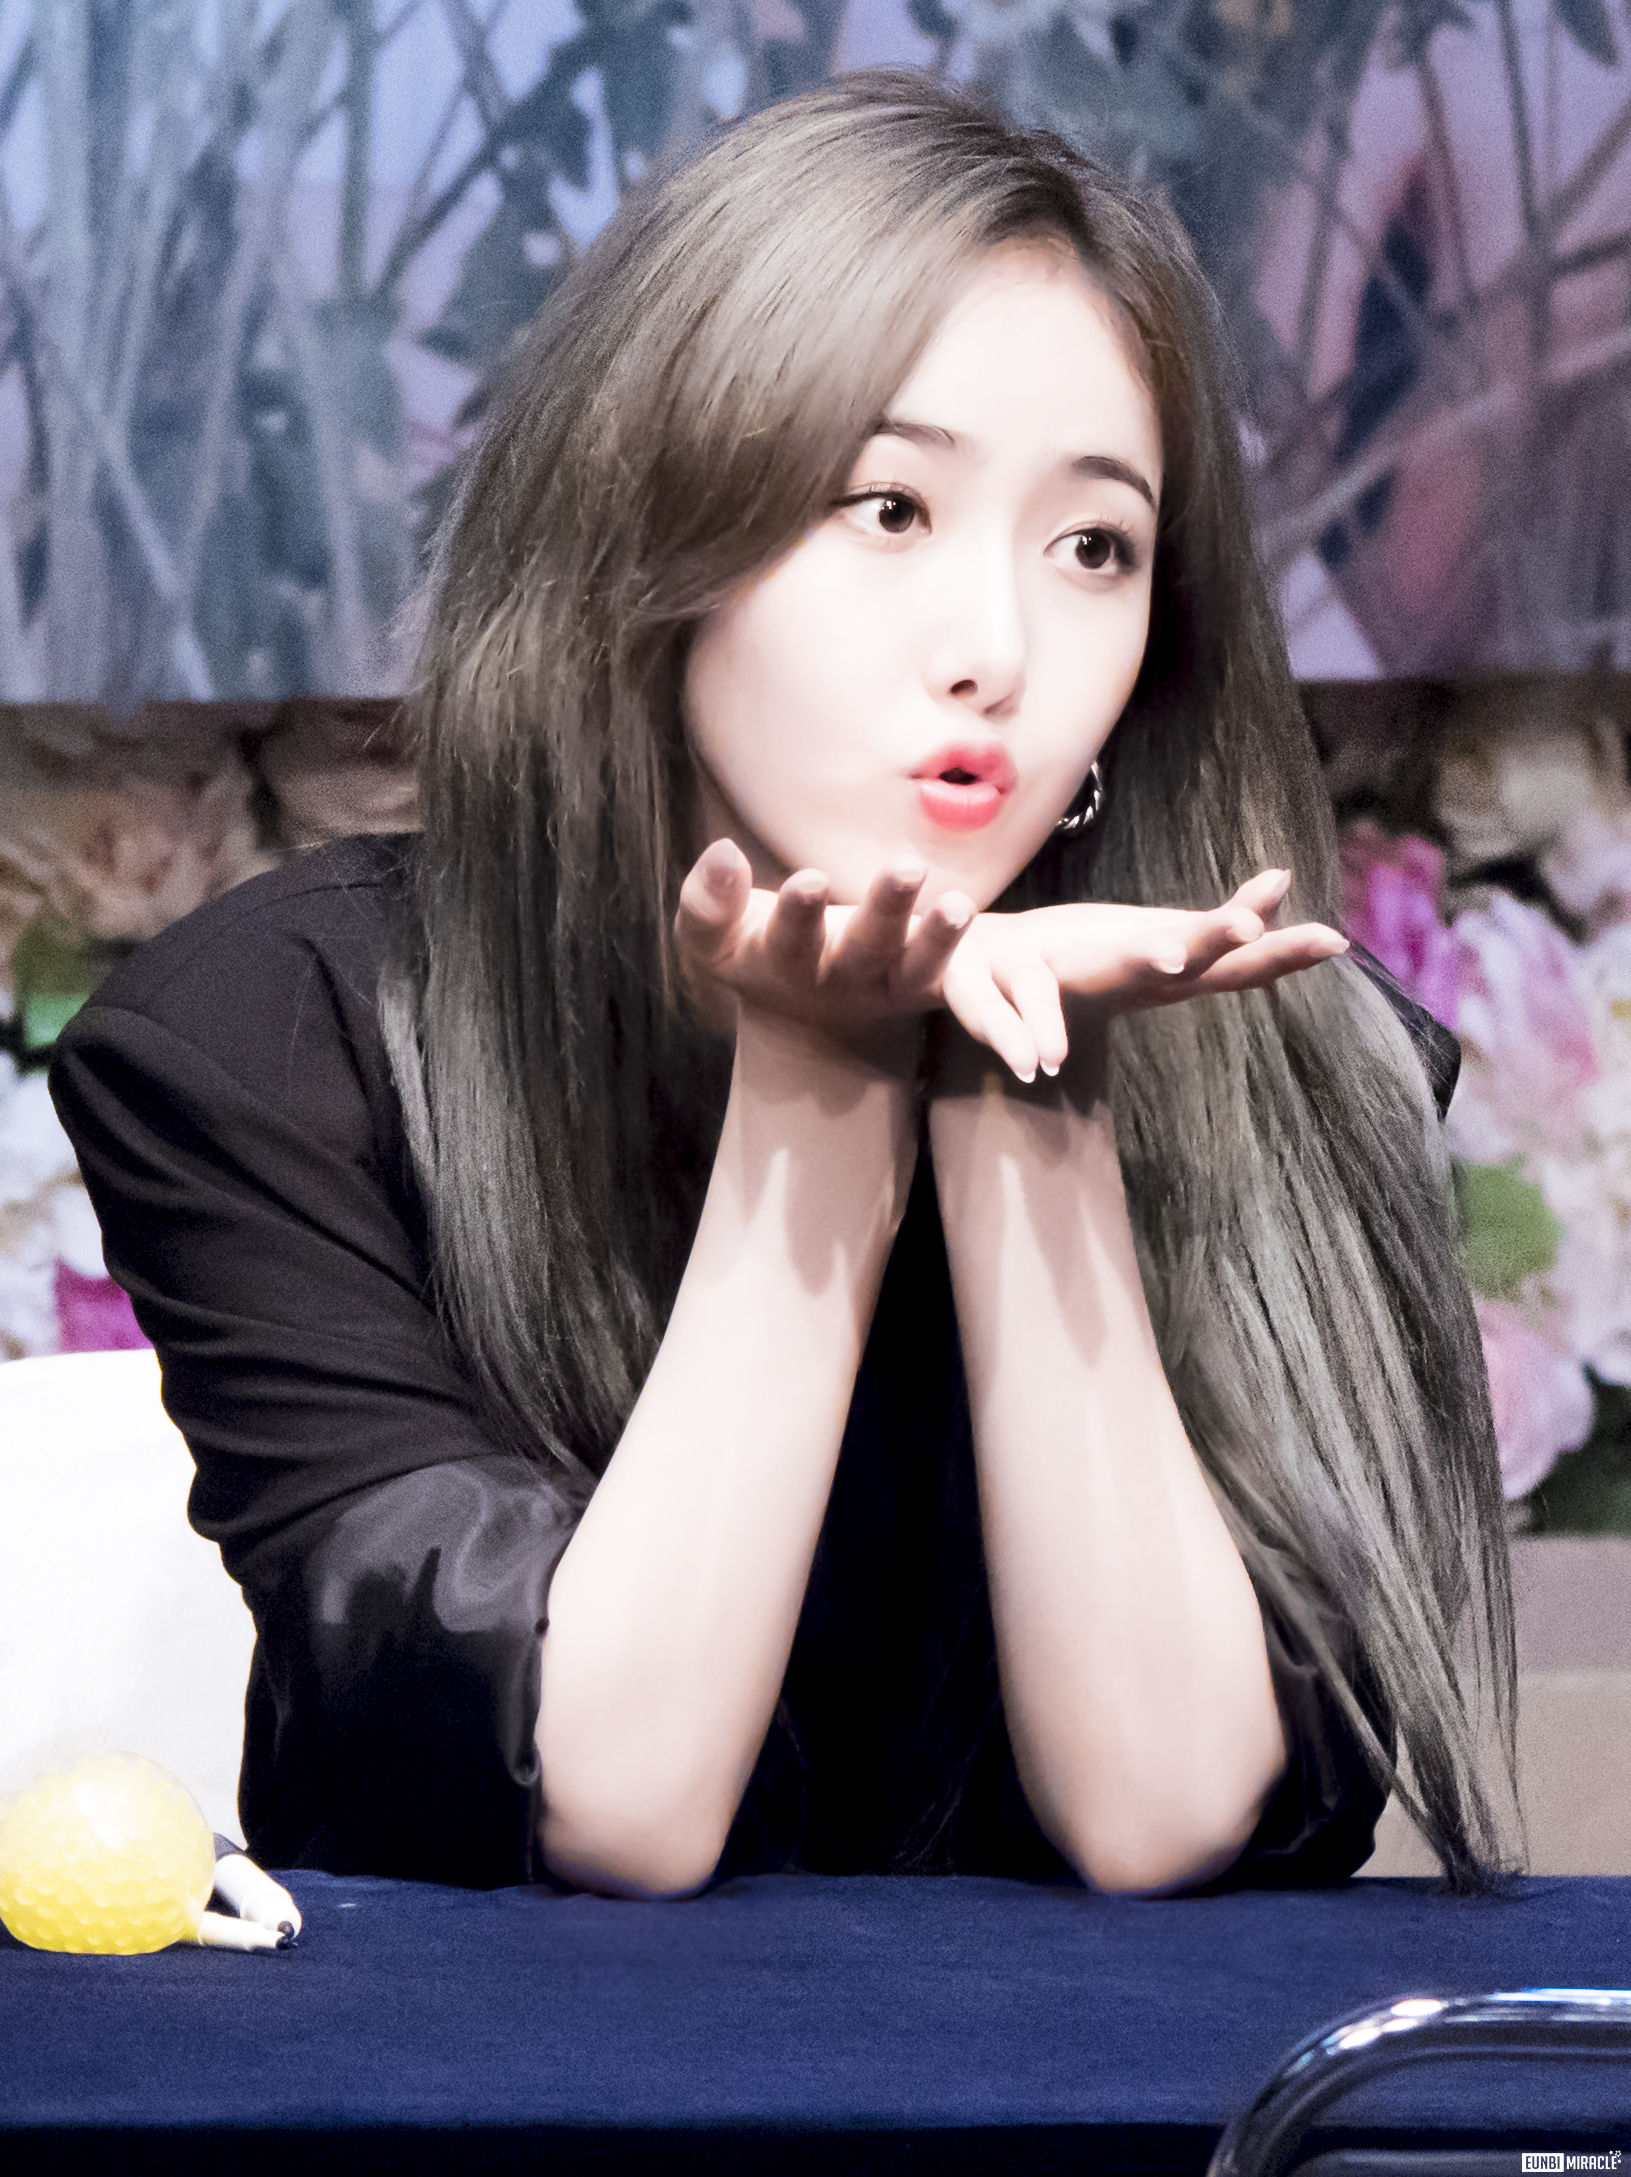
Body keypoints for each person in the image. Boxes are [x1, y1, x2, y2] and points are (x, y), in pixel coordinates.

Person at [50, 70, 1515, 1900]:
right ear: (646, 548)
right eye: (889, 508)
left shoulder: (1313, 1051)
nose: (996, 649)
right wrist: (822, 1086)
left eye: (1095, 547)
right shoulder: (277, 1044)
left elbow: (1167, 1815)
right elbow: (608, 1795)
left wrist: (1028, 1096)